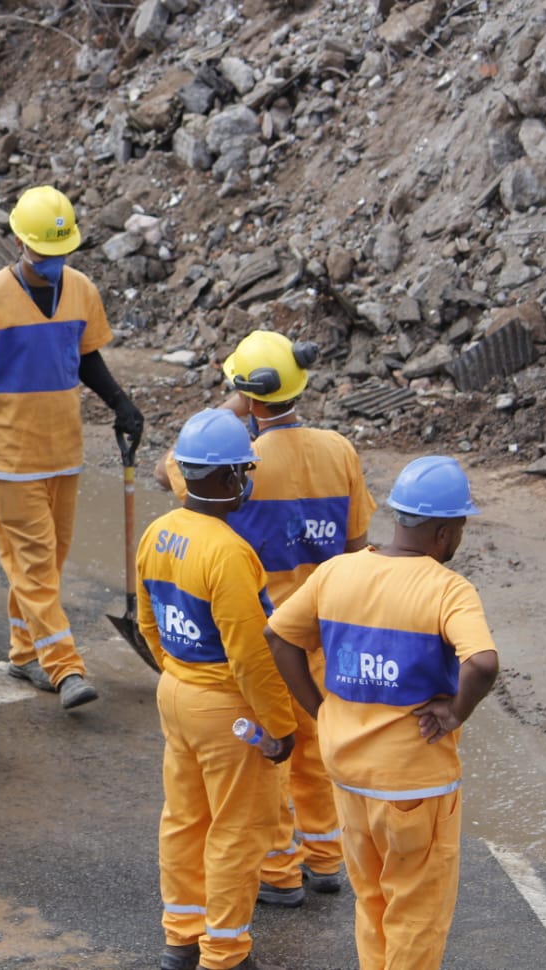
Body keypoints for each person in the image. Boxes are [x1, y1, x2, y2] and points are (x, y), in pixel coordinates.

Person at [154, 331, 375, 905]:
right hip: (325, 632)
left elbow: (174, 470)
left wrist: (232, 407)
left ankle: (280, 869)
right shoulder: (339, 451)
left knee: (271, 752)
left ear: (248, 394)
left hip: (268, 636)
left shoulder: (237, 466)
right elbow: (356, 545)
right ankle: (325, 857)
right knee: (316, 747)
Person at [266, 456, 499, 970]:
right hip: (414, 784)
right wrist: (456, 711)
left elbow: (278, 636)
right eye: (459, 528)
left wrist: (320, 709)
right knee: (416, 912)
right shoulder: (448, 589)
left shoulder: (337, 572)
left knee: (372, 901)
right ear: (444, 531)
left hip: (348, 775)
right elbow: (481, 663)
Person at [0, 185, 144, 711]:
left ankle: (24, 651)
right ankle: (65, 668)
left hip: (65, 452)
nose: (54, 261)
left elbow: (86, 358)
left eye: (62, 253)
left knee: (45, 565)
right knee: (36, 565)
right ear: (19, 240)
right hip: (12, 460)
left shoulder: (81, 289)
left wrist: (121, 403)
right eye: (45, 251)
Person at [137, 408, 296, 970]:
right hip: (227, 709)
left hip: (177, 693)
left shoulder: (159, 533)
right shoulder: (228, 552)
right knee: (235, 830)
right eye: (243, 473)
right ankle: (224, 951)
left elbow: (147, 623)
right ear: (229, 478)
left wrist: (176, 672)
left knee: (184, 819)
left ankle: (181, 936)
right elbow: (252, 655)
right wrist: (280, 724)